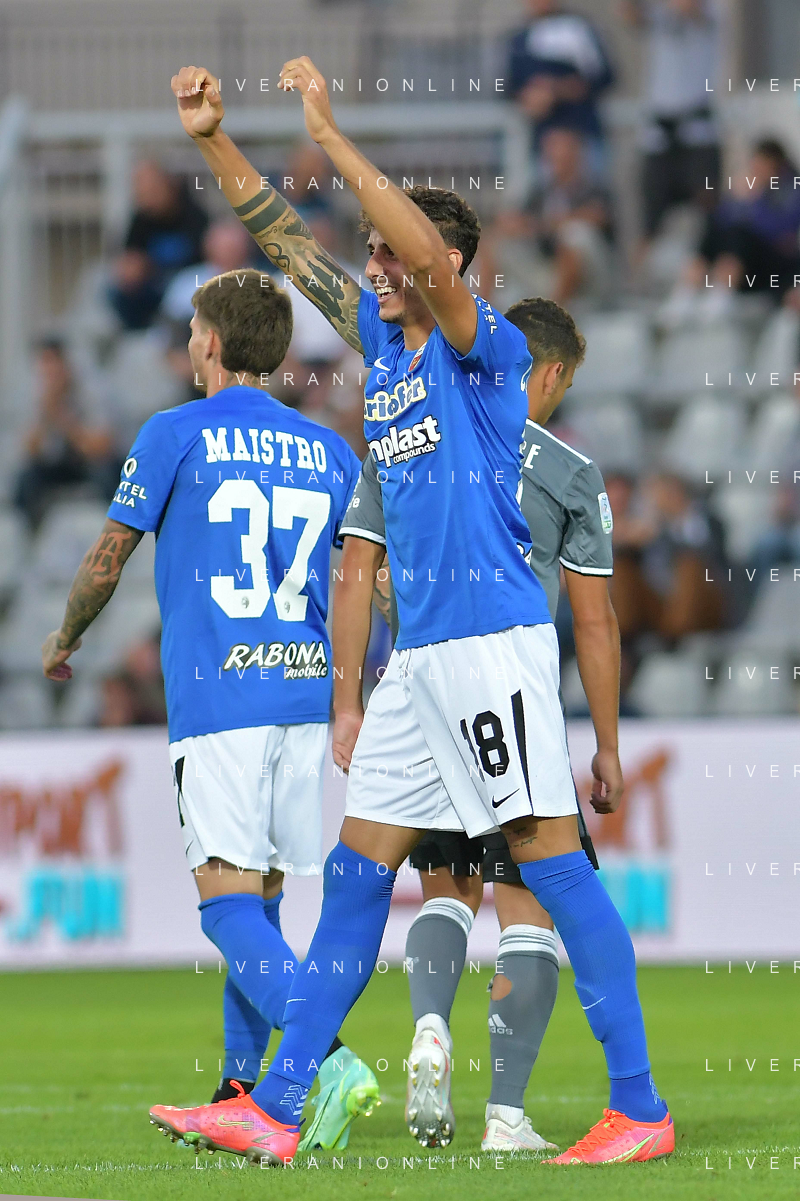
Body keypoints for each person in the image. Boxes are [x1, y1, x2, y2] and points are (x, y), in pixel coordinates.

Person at [148, 57, 672, 1169]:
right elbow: (287, 242)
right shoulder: (384, 346)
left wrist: (334, 137)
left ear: (445, 268)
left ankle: (639, 1106)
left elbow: (426, 258)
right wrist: (212, 142)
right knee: (353, 874)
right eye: (374, 257)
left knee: (551, 865)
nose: (373, 270)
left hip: (491, 645)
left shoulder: (485, 352)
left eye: (386, 256)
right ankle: (276, 1105)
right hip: (421, 658)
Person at [41, 268, 379, 1154]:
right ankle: (242, 1087)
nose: (189, 344)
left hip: (222, 696)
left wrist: (65, 636)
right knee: (261, 901)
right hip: (305, 695)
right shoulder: (331, 450)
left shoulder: (174, 432)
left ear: (214, 344)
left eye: (194, 330)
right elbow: (368, 580)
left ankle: (328, 1060)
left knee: (223, 904)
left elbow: (110, 555)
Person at [335, 298, 620, 1153]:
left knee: (445, 889)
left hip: (426, 694)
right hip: (512, 701)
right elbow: (595, 621)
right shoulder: (568, 470)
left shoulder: (409, 438)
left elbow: (361, 572)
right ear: (551, 372)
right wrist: (607, 745)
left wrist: (348, 700)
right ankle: (505, 1114)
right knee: (529, 907)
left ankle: (430, 1028)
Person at [621, 0, 722, 243]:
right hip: (658, 135)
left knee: (707, 215)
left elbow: (689, 8)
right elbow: (628, 14)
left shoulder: (713, 8)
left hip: (698, 133)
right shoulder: (658, 13)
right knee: (650, 222)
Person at [14, 338, 118, 528]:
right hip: (56, 464)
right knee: (26, 480)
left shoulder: (92, 392)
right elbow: (30, 451)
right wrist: (45, 415)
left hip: (88, 463)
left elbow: (101, 448)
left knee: (108, 473)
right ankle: (30, 532)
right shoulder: (36, 395)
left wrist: (64, 419)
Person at [506, 0, 615, 165]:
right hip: (542, 142)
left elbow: (604, 77)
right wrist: (528, 97)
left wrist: (559, 89)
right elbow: (509, 86)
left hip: (581, 137)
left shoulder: (578, 28)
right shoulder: (519, 37)